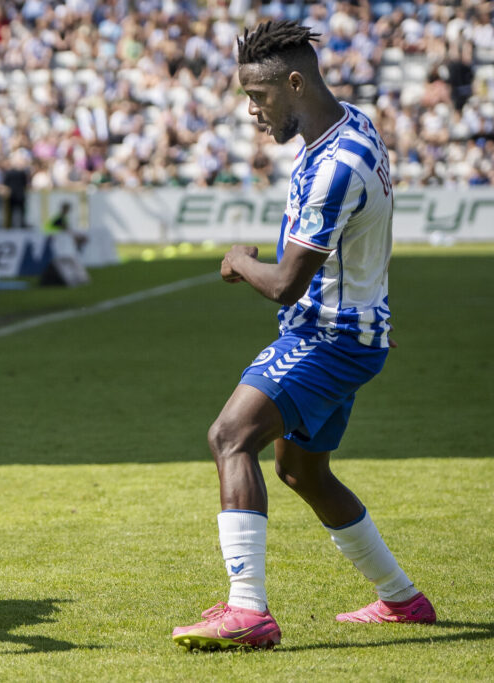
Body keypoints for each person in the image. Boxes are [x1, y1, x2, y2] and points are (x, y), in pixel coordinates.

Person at [171, 21, 435, 652]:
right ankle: (403, 600)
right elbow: (366, 240)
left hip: (327, 336)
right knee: (301, 471)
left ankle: (247, 612)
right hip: (354, 329)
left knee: (230, 437)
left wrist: (238, 260)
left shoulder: (333, 168)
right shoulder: (352, 128)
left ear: (295, 82)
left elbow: (287, 283)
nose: (254, 113)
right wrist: (370, 311)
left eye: (259, 98)